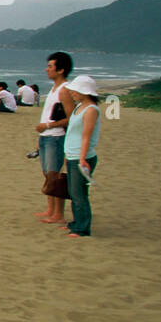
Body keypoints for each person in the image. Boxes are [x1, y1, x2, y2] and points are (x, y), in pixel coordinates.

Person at [35, 51, 75, 225]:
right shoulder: (53, 89)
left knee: (55, 175)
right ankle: (51, 209)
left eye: (50, 66)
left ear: (61, 70)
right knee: (47, 174)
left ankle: (58, 213)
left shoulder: (64, 90)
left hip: (56, 137)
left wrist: (49, 126)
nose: (47, 69)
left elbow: (71, 117)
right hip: (46, 137)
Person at [63, 75, 101, 237]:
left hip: (81, 156)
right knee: (73, 192)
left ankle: (82, 228)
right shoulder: (80, 107)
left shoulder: (91, 109)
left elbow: (86, 136)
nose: (73, 93)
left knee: (79, 194)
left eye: (76, 91)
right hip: (72, 155)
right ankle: (76, 222)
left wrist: (83, 158)